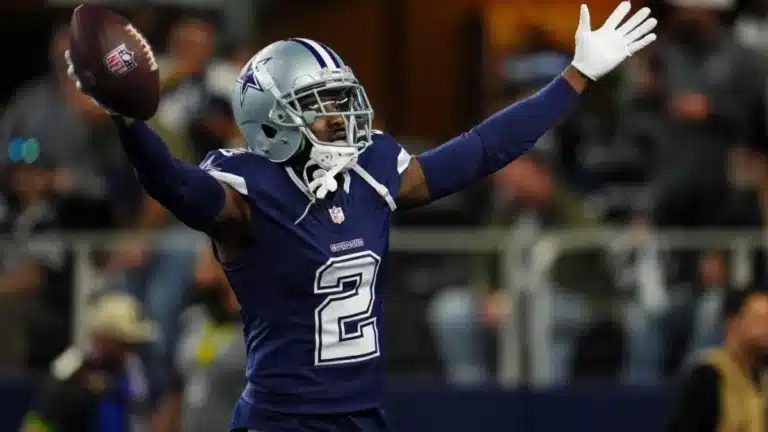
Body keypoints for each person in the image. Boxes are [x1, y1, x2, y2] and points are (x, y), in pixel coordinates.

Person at [64, 2, 657, 430]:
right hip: (285, 421)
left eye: (342, 99)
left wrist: (573, 77)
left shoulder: (372, 167)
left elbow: (479, 151)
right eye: (322, 105)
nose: (343, 116)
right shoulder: (248, 192)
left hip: (363, 415)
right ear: (272, 119)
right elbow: (176, 186)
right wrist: (128, 122)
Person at [21, 293, 155, 432]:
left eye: (131, 344)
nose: (129, 350)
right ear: (102, 337)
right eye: (122, 343)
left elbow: (141, 412)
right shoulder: (70, 368)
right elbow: (40, 418)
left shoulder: (134, 369)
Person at [664, 289, 768, 431]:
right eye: (759, 320)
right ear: (733, 323)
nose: (766, 329)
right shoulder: (707, 375)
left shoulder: (762, 376)